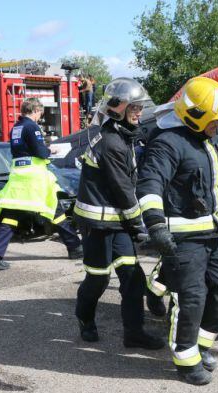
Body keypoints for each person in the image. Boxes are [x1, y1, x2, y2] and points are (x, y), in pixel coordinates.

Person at [137, 76, 218, 385]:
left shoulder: (207, 140)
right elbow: (150, 183)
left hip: (213, 232)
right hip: (183, 236)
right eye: (215, 122)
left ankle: (201, 343)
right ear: (197, 118)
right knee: (192, 297)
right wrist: (155, 223)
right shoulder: (168, 143)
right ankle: (185, 358)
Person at [73, 78, 164, 349]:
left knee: (133, 279)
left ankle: (133, 333)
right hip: (98, 226)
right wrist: (140, 225)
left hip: (118, 224)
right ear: (117, 108)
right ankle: (85, 319)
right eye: (134, 107)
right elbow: (123, 189)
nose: (139, 112)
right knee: (98, 279)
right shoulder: (111, 142)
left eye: (139, 107)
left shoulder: (122, 137)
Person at [0, 97, 82, 270]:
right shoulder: (32, 126)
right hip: (35, 178)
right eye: (40, 113)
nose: (40, 117)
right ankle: (75, 248)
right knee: (55, 210)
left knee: (11, 215)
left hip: (18, 178)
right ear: (36, 110)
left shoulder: (16, 127)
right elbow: (40, 152)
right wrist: (50, 149)